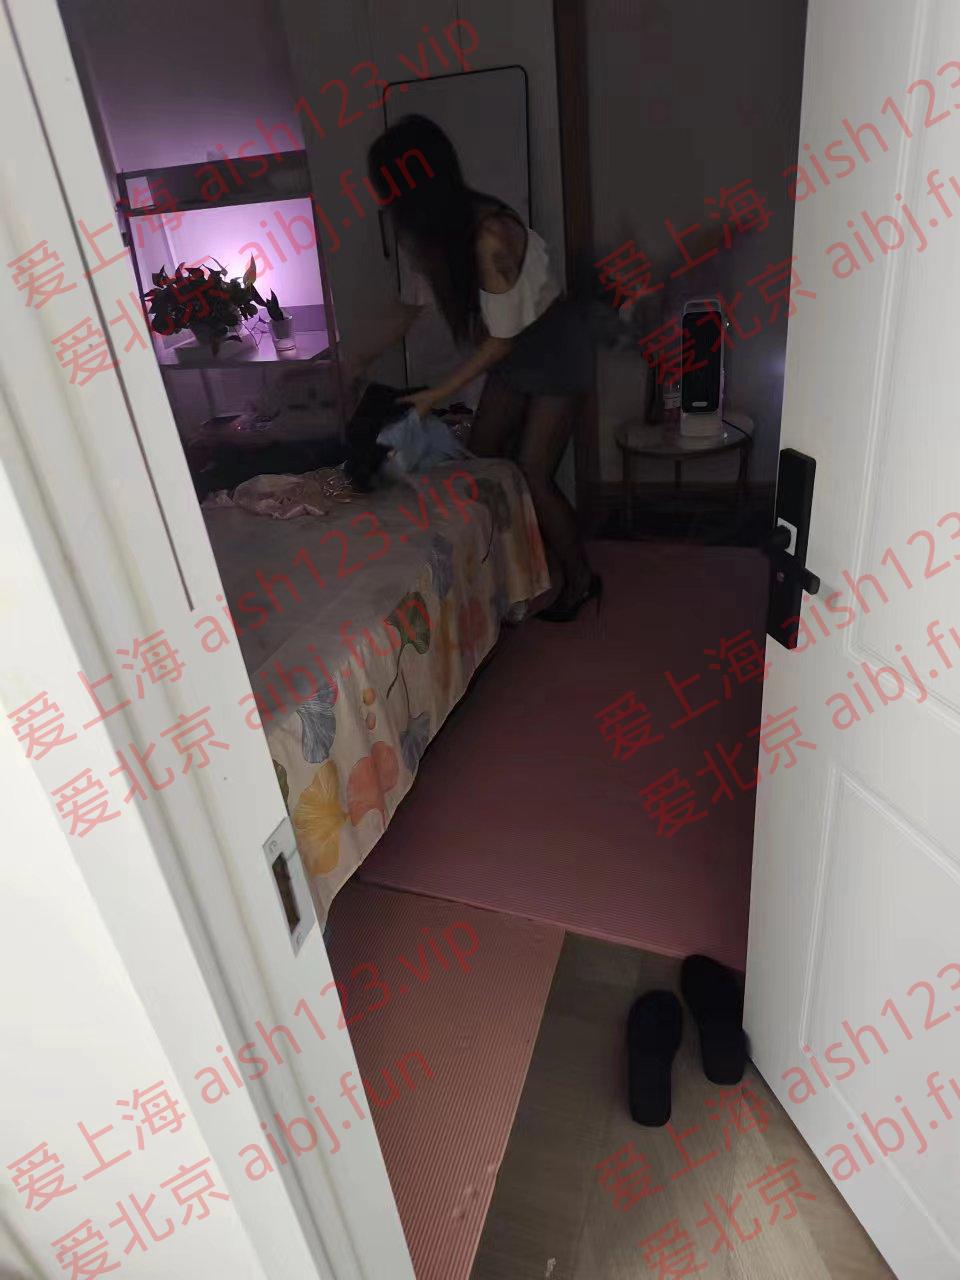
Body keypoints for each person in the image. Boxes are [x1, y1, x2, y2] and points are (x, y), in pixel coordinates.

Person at [364, 115, 600, 622]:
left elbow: (502, 339)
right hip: (517, 348)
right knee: (482, 458)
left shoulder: (487, 234)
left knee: (533, 470)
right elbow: (413, 308)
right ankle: (504, 574)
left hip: (556, 347)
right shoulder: (441, 231)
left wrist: (434, 396)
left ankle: (581, 580)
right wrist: (357, 357)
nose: (388, 206)